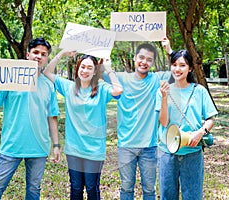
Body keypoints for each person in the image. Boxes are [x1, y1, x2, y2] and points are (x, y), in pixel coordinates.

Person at [0, 37, 61, 200]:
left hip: (39, 146)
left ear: (47, 58)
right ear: (28, 55)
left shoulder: (49, 85)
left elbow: (52, 117)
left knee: (34, 190)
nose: (39, 56)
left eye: (44, 54)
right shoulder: (11, 77)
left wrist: (56, 145)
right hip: (12, 145)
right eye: (35, 52)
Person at [44, 50, 123, 200]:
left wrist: (108, 68)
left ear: (94, 72)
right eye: (82, 67)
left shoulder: (102, 89)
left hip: (94, 151)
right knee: (76, 189)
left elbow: (119, 90)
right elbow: (47, 72)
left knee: (92, 189)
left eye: (89, 68)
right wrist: (61, 54)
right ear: (77, 69)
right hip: (74, 149)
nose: (85, 70)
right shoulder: (68, 87)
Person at [105, 38, 172, 200]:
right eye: (141, 57)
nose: (144, 62)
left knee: (149, 190)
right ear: (135, 57)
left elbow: (178, 71)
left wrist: (169, 50)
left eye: (149, 60)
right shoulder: (121, 78)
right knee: (126, 187)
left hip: (149, 146)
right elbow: (96, 73)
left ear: (153, 63)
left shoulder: (157, 79)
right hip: (126, 145)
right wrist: (106, 56)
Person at [155, 50, 218, 200]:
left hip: (192, 152)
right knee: (167, 195)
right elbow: (163, 122)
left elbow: (211, 119)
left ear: (190, 68)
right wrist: (164, 97)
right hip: (167, 152)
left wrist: (200, 132)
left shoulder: (199, 91)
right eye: (174, 65)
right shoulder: (163, 91)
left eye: (182, 65)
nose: (177, 69)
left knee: (193, 196)